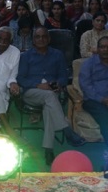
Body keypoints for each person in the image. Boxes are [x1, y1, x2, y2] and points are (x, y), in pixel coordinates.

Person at [17, 28, 87, 163]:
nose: (41, 39)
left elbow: (63, 75)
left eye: (44, 36)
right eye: (37, 37)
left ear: (49, 39)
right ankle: (66, 129)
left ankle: (48, 149)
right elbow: (20, 78)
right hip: (31, 92)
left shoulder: (57, 55)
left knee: (49, 107)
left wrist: (58, 84)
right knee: (49, 97)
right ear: (33, 40)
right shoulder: (26, 56)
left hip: (52, 93)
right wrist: (38, 85)